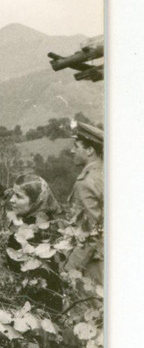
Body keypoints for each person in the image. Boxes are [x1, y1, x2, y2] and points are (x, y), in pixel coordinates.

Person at [3, 172, 64, 314]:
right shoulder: (51, 222)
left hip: (37, 306)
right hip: (45, 302)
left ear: (36, 200)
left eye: (19, 196)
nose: (12, 200)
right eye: (13, 194)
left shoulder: (37, 230)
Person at [66, 119, 103, 285]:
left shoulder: (85, 182)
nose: (72, 150)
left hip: (93, 263)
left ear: (89, 150)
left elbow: (90, 233)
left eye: (76, 146)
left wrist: (70, 268)